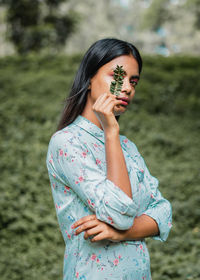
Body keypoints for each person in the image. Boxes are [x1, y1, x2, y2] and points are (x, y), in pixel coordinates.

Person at [46, 38, 172, 280]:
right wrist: (111, 131)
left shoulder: (128, 147)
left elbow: (163, 212)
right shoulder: (67, 142)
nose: (126, 88)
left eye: (133, 82)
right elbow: (119, 213)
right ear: (89, 77)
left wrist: (121, 233)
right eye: (117, 76)